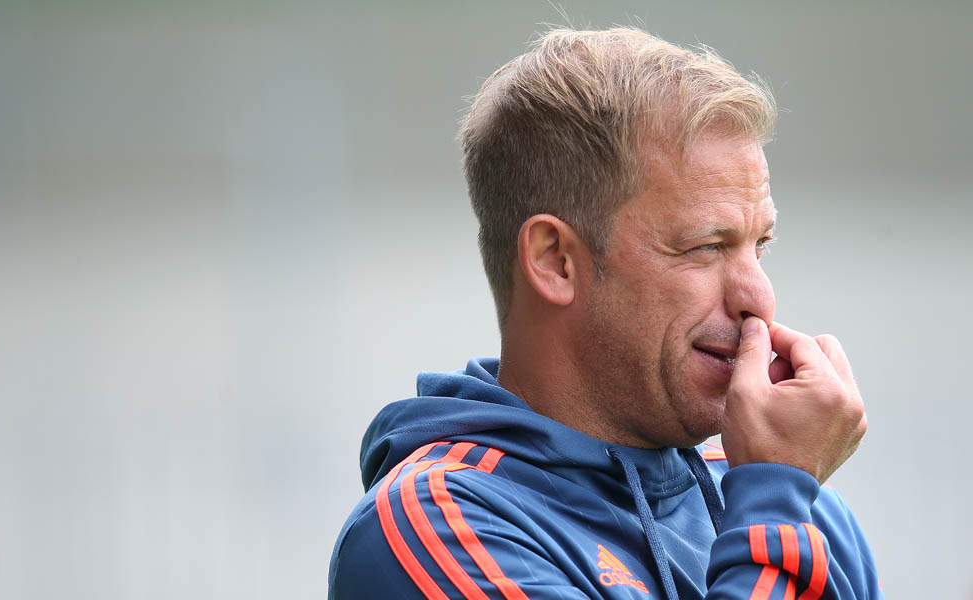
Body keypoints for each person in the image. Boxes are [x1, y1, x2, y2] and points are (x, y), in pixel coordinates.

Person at [328, 27, 881, 599]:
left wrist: (777, 497)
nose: (758, 299)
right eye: (705, 248)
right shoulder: (433, 530)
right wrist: (775, 502)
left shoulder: (803, 513)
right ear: (556, 261)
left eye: (758, 245)